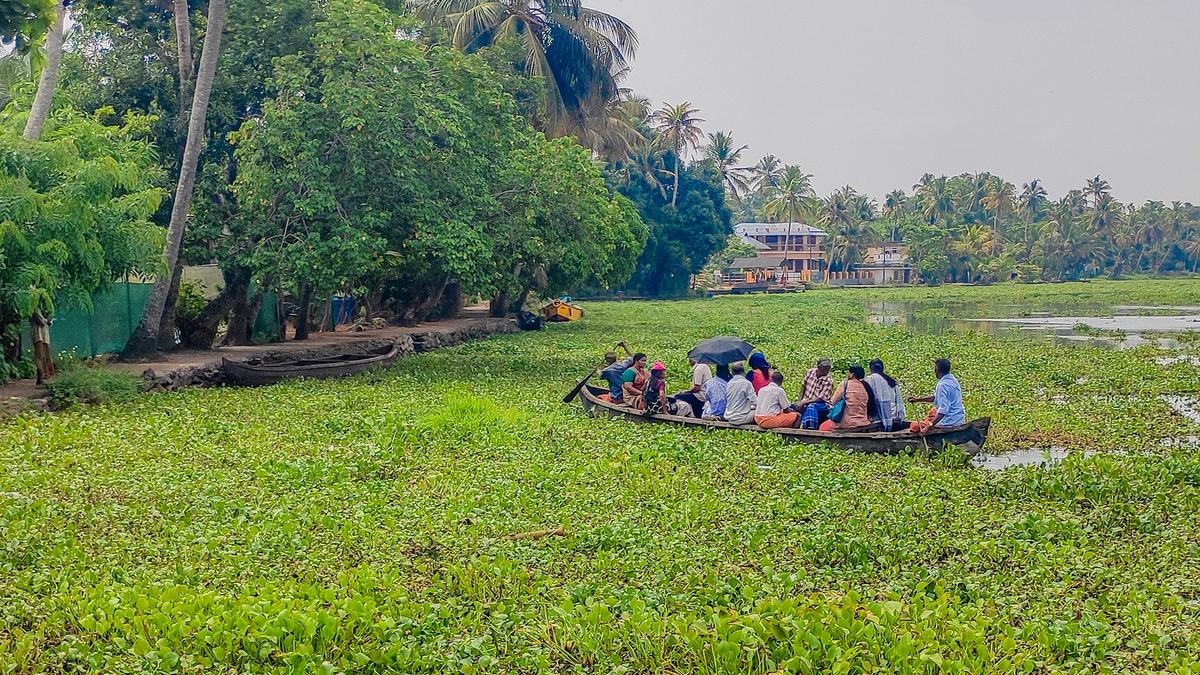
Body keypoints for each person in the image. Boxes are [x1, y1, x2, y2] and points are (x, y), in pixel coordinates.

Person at [908, 358, 966, 433]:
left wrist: (928, 426)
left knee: (914, 426)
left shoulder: (942, 385)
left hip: (949, 422)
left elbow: (943, 411)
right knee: (933, 412)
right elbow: (936, 398)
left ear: (937, 370)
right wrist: (917, 399)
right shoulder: (953, 380)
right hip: (959, 418)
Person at [819, 365, 876, 432]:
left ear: (852, 374)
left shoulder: (845, 384)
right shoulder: (864, 386)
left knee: (822, 427)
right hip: (863, 421)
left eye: (849, 373)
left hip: (848, 422)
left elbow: (833, 402)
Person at [864, 358, 907, 431]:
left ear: (870, 368)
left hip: (877, 417)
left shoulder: (868, 380)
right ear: (882, 368)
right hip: (894, 416)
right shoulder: (891, 381)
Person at [792, 357, 834, 429]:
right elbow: (803, 386)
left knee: (811, 407)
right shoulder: (810, 372)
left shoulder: (828, 380)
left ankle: (810, 428)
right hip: (806, 400)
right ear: (818, 367)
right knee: (791, 407)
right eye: (825, 368)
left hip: (822, 404)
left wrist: (804, 403)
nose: (827, 371)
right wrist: (800, 401)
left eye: (828, 368)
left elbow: (820, 399)